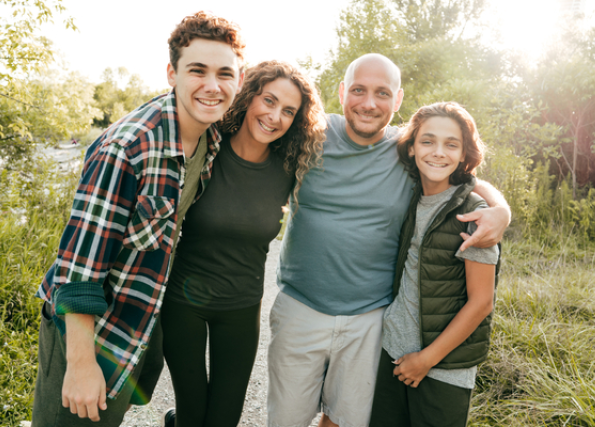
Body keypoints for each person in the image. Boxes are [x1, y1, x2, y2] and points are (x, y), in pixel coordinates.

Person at [268, 54, 511, 427]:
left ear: (397, 100)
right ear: (342, 92)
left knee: (345, 420)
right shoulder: (311, 135)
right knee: (286, 420)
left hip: (369, 319)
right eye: (359, 90)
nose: (369, 103)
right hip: (301, 308)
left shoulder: (406, 148)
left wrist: (501, 211)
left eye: (382, 93)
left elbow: (464, 178)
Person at [31, 11, 245, 427]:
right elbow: (79, 268)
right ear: (172, 73)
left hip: (137, 321)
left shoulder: (212, 137)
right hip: (88, 332)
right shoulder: (127, 148)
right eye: (197, 71)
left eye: (225, 74)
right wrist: (80, 364)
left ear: (239, 79)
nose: (213, 86)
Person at [160, 60, 325, 427]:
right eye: (268, 100)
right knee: (193, 413)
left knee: (223, 420)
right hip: (183, 303)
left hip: (241, 306)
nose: (274, 116)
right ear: (248, 96)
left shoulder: (291, 167)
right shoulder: (206, 147)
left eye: (288, 111)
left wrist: (486, 202)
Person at [368, 102, 499, 427]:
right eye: (427, 141)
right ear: (411, 148)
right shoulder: (407, 195)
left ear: (463, 152)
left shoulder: (474, 213)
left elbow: (481, 302)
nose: (438, 152)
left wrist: (426, 359)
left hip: (444, 367)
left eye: (451, 144)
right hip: (392, 352)